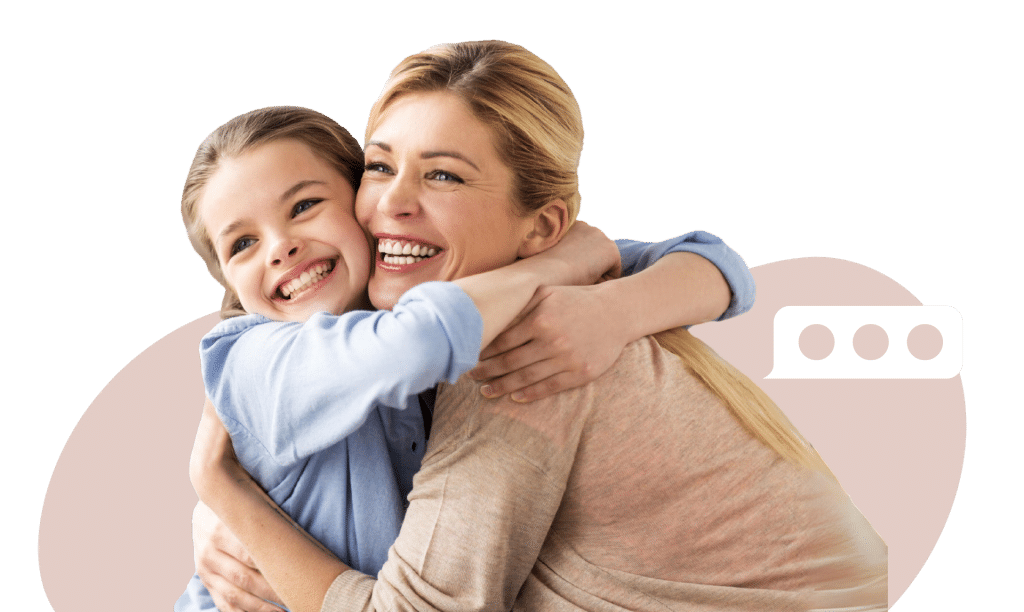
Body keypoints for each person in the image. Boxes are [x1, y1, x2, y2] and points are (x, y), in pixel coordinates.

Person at [190, 40, 886, 612]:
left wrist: (224, 490)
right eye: (380, 167)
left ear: (542, 227)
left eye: (445, 177)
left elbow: (713, 261)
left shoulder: (532, 351)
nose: (393, 204)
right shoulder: (332, 330)